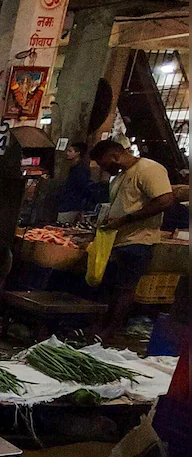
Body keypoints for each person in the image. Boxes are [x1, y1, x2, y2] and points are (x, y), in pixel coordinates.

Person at [89, 140, 176, 337]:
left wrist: (125, 220)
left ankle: (108, 332)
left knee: (124, 288)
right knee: (110, 287)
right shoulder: (120, 177)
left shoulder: (149, 169)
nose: (103, 168)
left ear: (115, 156)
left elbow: (165, 200)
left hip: (138, 241)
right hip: (118, 240)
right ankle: (99, 329)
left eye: (103, 164)